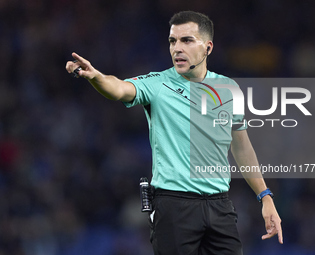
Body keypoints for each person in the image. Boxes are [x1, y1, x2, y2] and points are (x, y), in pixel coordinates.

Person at [66, 10, 283, 255]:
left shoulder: (228, 88)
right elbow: (118, 89)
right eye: (173, 41)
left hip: (220, 206)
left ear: (207, 47)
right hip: (174, 206)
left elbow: (241, 146)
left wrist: (265, 197)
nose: (177, 48)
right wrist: (96, 77)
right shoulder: (157, 84)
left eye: (187, 40)